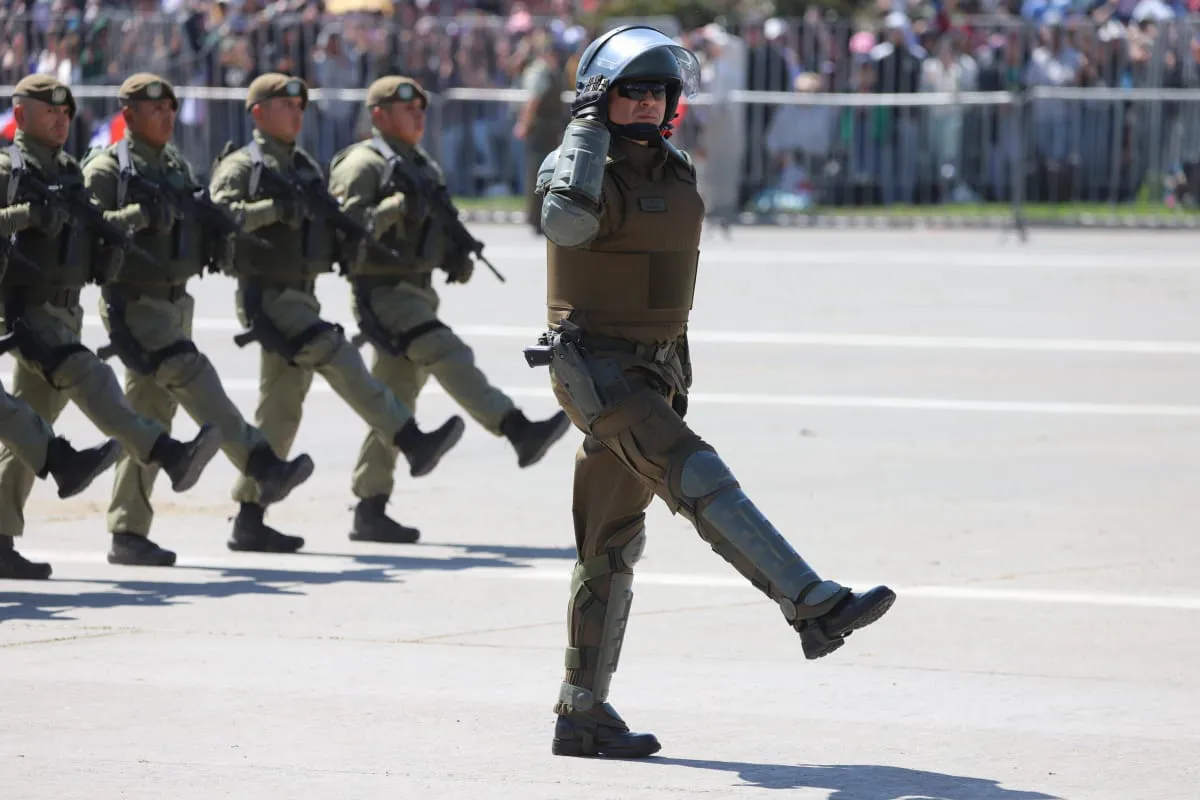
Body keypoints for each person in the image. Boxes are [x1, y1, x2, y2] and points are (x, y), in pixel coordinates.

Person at [531, 26, 896, 759]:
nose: (646, 103)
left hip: (657, 367)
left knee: (609, 545)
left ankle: (582, 711)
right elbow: (564, 222)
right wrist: (583, 131)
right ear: (601, 98)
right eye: (630, 90)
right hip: (598, 370)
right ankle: (810, 604)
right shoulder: (578, 167)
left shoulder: (673, 166)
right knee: (698, 475)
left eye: (657, 90)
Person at [208, 73, 465, 550]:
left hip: (302, 294)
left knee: (281, 411)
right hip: (267, 298)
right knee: (338, 356)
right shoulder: (243, 166)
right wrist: (272, 209)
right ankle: (410, 439)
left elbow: (340, 227)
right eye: (285, 105)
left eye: (300, 105)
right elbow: (220, 217)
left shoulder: (304, 167)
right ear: (258, 112)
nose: (296, 113)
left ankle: (250, 517)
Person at [81, 73, 316, 565]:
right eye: (155, 109)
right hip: (134, 304)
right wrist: (142, 216)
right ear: (129, 116)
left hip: (174, 303)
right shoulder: (109, 170)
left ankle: (128, 531)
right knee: (196, 378)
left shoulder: (174, 165)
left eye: (171, 108)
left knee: (149, 417)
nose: (167, 116)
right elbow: (90, 230)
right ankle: (259, 462)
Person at [327, 75, 571, 543]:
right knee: (447, 353)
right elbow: (346, 232)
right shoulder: (364, 164)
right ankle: (517, 430)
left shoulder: (420, 164)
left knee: (393, 403)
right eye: (407, 110)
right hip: (381, 293)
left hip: (416, 291)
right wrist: (398, 205)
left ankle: (370, 506)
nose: (418, 116)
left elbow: (432, 223)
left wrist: (451, 254)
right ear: (378, 115)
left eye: (421, 109)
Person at [0, 74, 222, 579]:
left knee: (27, 428)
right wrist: (25, 216)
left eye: (65, 113)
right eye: (49, 111)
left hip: (65, 310)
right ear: (21, 112)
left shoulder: (68, 172)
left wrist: (135, 222)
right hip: (25, 310)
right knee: (91, 378)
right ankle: (166, 452)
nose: (60, 120)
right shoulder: (7, 169)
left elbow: (97, 226)